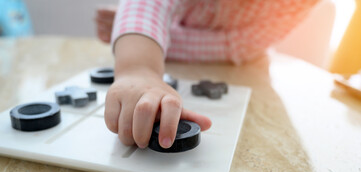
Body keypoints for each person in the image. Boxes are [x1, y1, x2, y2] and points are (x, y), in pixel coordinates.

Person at [95, 0, 320, 149]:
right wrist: (139, 64)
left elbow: (233, 46)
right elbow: (148, 4)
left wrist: (152, 35)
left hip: (249, 68)